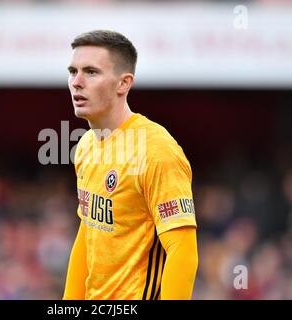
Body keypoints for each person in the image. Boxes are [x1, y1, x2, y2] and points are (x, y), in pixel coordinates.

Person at [63, 30, 198, 300]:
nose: (77, 82)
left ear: (123, 83)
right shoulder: (87, 145)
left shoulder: (157, 150)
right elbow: (87, 233)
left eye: (91, 72)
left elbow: (183, 251)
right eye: (72, 71)